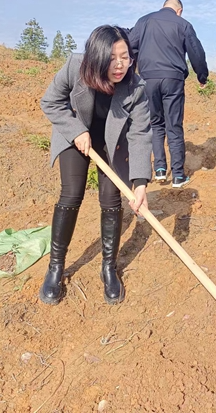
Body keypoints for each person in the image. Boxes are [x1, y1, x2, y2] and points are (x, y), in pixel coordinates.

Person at [39, 25, 152, 305]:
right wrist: (76, 130)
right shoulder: (75, 67)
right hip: (75, 131)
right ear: (97, 57)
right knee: (72, 192)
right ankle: (55, 267)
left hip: (112, 142)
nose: (120, 65)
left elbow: (140, 134)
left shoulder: (135, 87)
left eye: (125, 56)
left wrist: (139, 184)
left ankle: (108, 268)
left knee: (112, 198)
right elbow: (50, 102)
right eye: (112, 58)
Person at [128, 0, 208, 187]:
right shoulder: (183, 24)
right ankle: (178, 176)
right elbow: (196, 52)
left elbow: (130, 46)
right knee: (174, 125)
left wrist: (131, 74)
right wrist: (202, 76)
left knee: (155, 124)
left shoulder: (144, 21)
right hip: (173, 79)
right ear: (179, 10)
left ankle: (160, 170)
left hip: (148, 78)